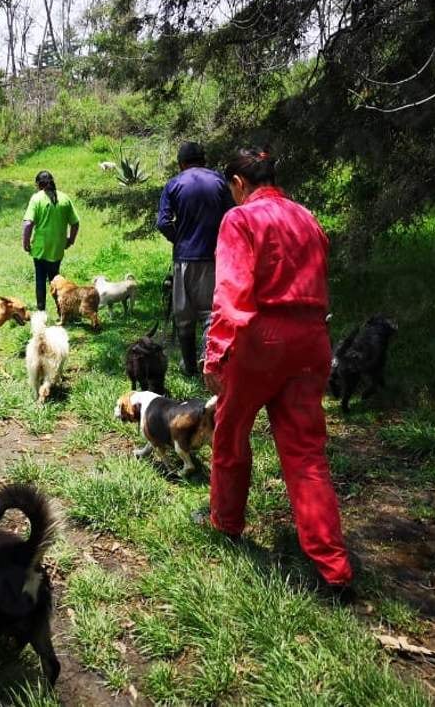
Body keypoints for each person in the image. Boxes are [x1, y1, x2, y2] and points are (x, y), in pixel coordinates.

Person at [202, 147, 353, 591]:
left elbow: (231, 292)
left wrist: (216, 354)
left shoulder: (241, 219)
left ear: (238, 183)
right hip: (312, 341)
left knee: (230, 436)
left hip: (260, 340)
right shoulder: (306, 216)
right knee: (307, 455)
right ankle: (334, 569)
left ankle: (226, 523)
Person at [156, 141, 233, 375]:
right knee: (211, 313)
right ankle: (209, 360)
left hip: (184, 258)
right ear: (204, 160)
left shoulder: (174, 184)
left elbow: (163, 222)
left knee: (184, 314)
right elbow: (232, 215)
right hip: (214, 257)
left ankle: (189, 366)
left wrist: (179, 239)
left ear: (181, 164)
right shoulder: (220, 181)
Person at [22, 171, 79, 311]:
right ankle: (62, 309)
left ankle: (41, 310)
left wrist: (26, 242)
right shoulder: (64, 198)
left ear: (38, 184)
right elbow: (75, 223)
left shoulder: (36, 198)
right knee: (56, 280)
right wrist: (70, 240)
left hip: (41, 248)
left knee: (40, 280)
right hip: (58, 248)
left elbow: (28, 224)